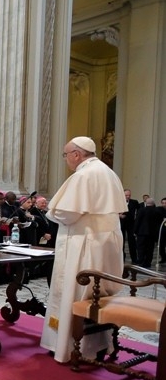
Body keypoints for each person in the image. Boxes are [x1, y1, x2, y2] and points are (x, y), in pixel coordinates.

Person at [40, 137, 127, 364]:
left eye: (66, 154)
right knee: (96, 296)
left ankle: (68, 347)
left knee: (75, 293)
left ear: (77, 154)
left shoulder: (83, 175)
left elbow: (67, 214)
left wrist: (52, 211)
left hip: (83, 245)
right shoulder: (108, 172)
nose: (66, 159)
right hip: (105, 247)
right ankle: (97, 346)